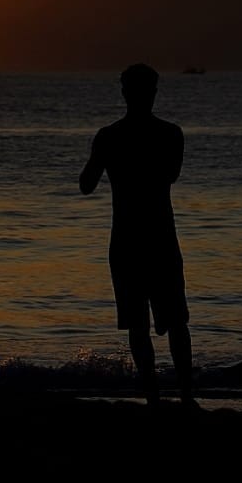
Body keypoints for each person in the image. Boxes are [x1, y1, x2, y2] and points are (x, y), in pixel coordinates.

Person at [80, 64, 195, 408]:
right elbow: (170, 175)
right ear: (154, 92)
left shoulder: (109, 136)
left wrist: (104, 157)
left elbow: (86, 185)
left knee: (139, 325)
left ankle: (154, 398)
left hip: (128, 240)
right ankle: (185, 397)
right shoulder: (171, 134)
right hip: (160, 237)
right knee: (175, 322)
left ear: (124, 92)